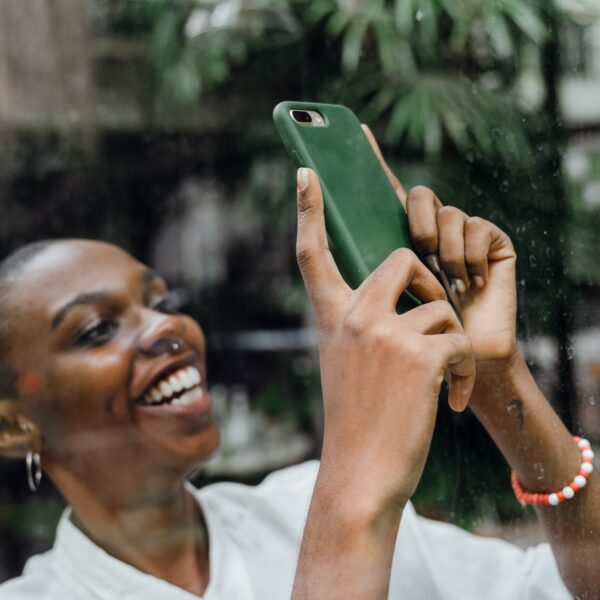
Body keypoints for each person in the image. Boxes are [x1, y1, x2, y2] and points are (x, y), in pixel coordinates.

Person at [0, 129, 597, 600]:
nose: (166, 327)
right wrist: (357, 481)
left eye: (162, 302)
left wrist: (498, 376)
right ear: (12, 424)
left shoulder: (296, 506)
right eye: (97, 329)